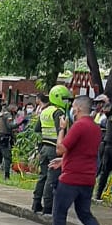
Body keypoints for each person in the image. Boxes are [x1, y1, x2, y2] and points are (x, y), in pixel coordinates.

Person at [41, 95, 112, 225]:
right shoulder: (95, 128)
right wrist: (64, 161)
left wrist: (62, 129)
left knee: (59, 213)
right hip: (87, 177)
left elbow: (60, 148)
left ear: (79, 108)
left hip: (71, 178)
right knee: (84, 213)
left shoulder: (79, 126)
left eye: (74, 107)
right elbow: (82, 152)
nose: (72, 110)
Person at [31, 84, 72, 215]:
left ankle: (36, 203)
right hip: (54, 149)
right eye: (65, 99)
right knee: (52, 178)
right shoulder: (59, 112)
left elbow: (37, 129)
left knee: (42, 176)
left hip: (44, 147)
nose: (67, 102)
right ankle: (48, 207)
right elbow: (61, 130)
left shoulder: (45, 111)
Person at [0, 102, 14, 180]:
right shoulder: (8, 115)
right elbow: (10, 126)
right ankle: (7, 176)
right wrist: (20, 123)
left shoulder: (1, 115)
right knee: (7, 157)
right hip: (4, 138)